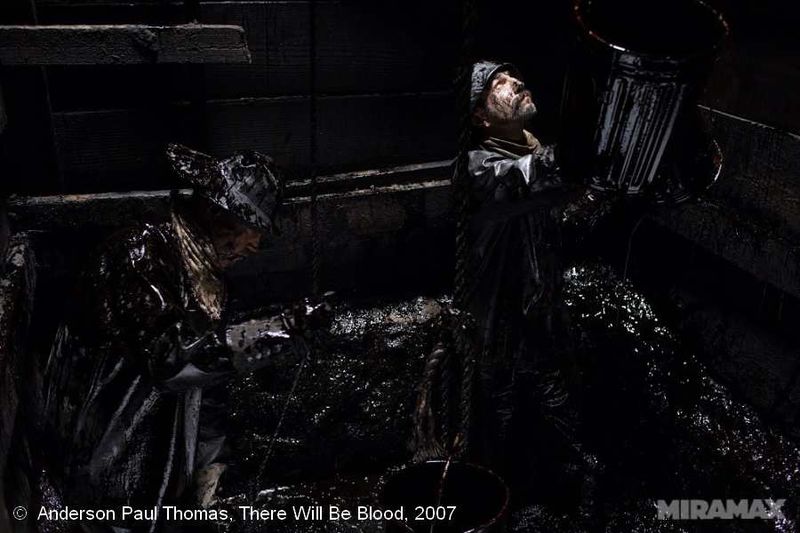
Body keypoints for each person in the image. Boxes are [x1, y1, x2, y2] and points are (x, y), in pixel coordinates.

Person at [40, 144, 326, 532]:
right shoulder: (141, 255)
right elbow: (171, 360)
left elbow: (208, 390)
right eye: (250, 226)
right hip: (96, 467)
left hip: (155, 482)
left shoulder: (210, 287)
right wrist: (278, 328)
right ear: (215, 212)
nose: (255, 245)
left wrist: (211, 469)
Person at [464, 60, 617, 510]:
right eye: (499, 83)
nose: (516, 82)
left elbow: (561, 217)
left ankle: (568, 503)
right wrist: (580, 154)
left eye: (514, 75)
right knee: (496, 431)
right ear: (480, 116)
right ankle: (492, 507)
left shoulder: (539, 157)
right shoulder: (476, 168)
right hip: (497, 334)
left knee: (561, 417)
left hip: (542, 323)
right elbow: (522, 181)